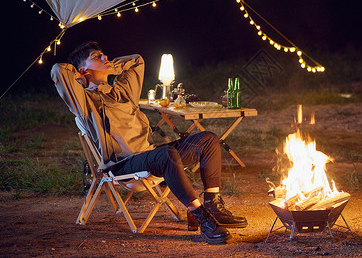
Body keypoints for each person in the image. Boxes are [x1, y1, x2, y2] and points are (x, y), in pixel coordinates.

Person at [51, 41, 247, 244]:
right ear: (82, 69)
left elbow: (137, 61)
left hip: (150, 156)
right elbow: (58, 70)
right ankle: (204, 220)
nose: (104, 57)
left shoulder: (122, 93)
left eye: (103, 54)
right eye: (95, 57)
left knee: (208, 139)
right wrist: (81, 75)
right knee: (167, 155)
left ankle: (212, 203)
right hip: (123, 165)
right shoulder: (84, 102)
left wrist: (108, 67)